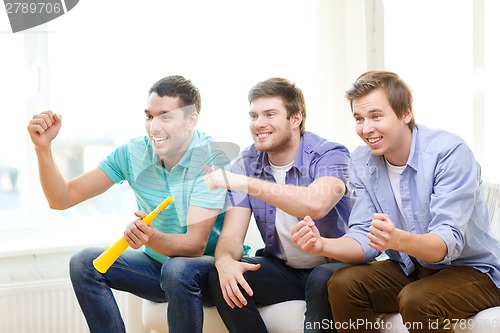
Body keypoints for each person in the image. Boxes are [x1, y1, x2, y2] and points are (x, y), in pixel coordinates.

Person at [291, 70, 500, 333]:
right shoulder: (361, 160)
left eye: (376, 116)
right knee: (343, 283)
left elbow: (447, 244)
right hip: (413, 266)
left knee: (417, 300)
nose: (366, 129)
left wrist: (396, 239)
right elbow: (363, 237)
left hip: (474, 271)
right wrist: (322, 244)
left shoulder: (448, 153)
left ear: (405, 114)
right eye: (359, 118)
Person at [26, 75, 231, 333]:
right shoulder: (133, 152)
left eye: (165, 116)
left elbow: (195, 245)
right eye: (149, 116)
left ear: (191, 120)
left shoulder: (210, 157)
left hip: (204, 274)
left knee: (177, 267)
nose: (154, 127)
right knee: (84, 263)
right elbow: (62, 198)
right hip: (159, 269)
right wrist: (43, 148)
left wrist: (150, 237)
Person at [203, 77, 352, 333]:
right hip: (286, 269)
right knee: (223, 278)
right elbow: (231, 235)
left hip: (336, 265)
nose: (259, 124)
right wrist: (225, 261)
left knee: (320, 278)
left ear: (296, 118)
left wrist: (243, 182)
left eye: (269, 114)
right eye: (253, 116)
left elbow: (316, 204)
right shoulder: (247, 163)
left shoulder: (330, 154)